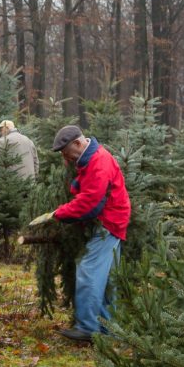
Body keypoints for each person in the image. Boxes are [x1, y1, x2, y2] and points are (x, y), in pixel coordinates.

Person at [31, 125, 130, 342]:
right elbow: (85, 189)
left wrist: (57, 214)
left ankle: (87, 327)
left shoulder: (99, 162)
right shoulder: (90, 158)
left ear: (78, 143)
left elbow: (89, 203)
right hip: (113, 222)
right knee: (107, 278)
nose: (67, 159)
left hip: (108, 223)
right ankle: (108, 329)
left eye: (67, 153)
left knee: (89, 272)